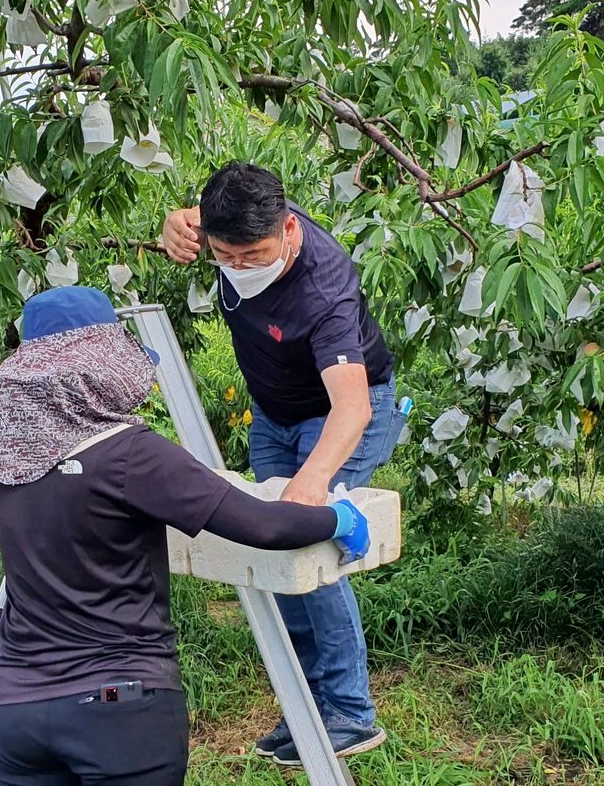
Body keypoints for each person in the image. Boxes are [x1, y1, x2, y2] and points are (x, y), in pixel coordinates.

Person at [0, 285, 370, 786]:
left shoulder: (2, 462)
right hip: (118, 711)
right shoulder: (130, 454)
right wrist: (338, 520)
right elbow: (264, 524)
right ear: (102, 363)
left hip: (16, 713)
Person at [162, 162, 405, 766]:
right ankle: (306, 702)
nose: (240, 268)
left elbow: (350, 404)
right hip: (272, 413)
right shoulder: (226, 224)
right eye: (227, 256)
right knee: (272, 553)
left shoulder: (325, 288)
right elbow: (189, 220)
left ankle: (350, 711)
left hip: (344, 409)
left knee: (308, 544)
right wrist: (174, 227)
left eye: (256, 255)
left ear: (289, 229)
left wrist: (313, 481)